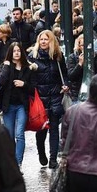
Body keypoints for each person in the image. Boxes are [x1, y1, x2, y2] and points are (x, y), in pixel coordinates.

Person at [28, 30, 69, 169]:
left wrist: (65, 85)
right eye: (41, 39)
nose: (43, 42)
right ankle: (41, 152)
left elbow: (64, 74)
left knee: (54, 128)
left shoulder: (57, 57)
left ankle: (53, 159)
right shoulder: (32, 57)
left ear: (51, 41)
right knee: (41, 129)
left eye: (46, 39)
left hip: (55, 95)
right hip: (39, 97)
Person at [0, 42, 35, 166]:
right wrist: (6, 67)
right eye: (14, 51)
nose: (16, 53)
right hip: (8, 105)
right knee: (10, 135)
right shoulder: (6, 66)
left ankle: (18, 163)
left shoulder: (27, 68)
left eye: (18, 51)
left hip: (22, 105)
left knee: (19, 134)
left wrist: (24, 84)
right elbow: (1, 81)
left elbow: (33, 88)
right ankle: (11, 162)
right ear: (10, 53)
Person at [67, 34, 97, 101]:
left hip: (96, 91)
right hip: (78, 92)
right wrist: (80, 64)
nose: (85, 47)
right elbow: (71, 76)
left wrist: (95, 58)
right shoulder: (73, 57)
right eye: (83, 45)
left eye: (87, 45)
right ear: (79, 46)